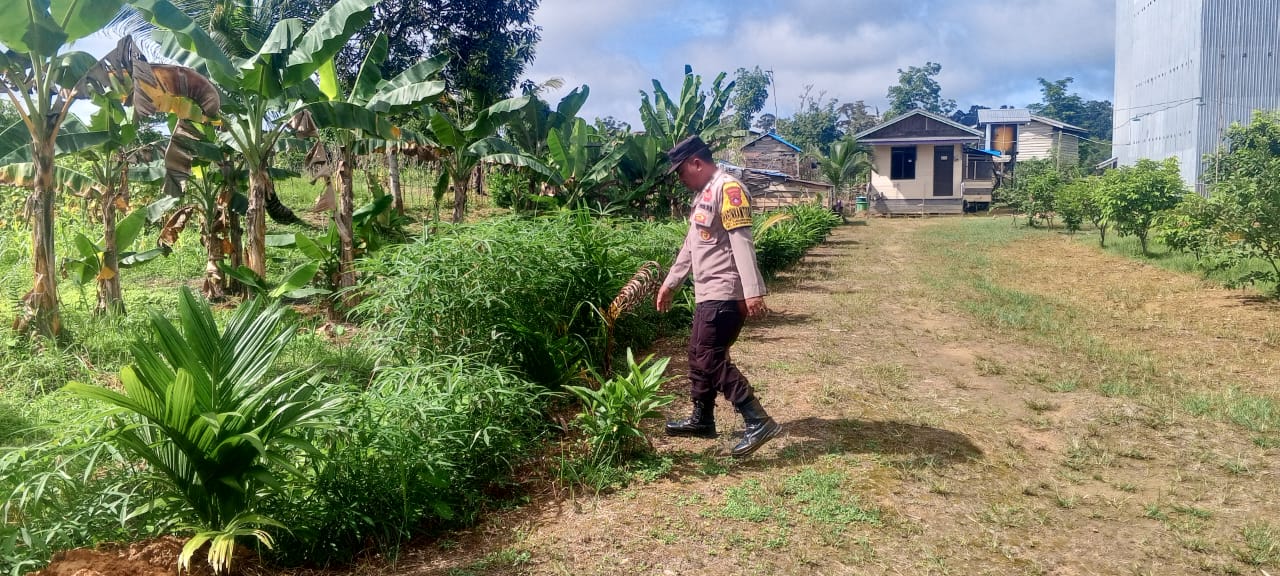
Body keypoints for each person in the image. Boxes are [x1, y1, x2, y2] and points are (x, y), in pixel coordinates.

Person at [656, 135, 782, 458]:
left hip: (725, 294)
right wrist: (671, 283)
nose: (681, 180)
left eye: (682, 172)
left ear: (696, 163)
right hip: (707, 294)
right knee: (698, 353)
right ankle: (702, 418)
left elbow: (742, 242)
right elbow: (691, 246)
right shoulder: (705, 196)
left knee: (709, 357)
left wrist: (753, 291)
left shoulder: (729, 189)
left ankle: (756, 418)